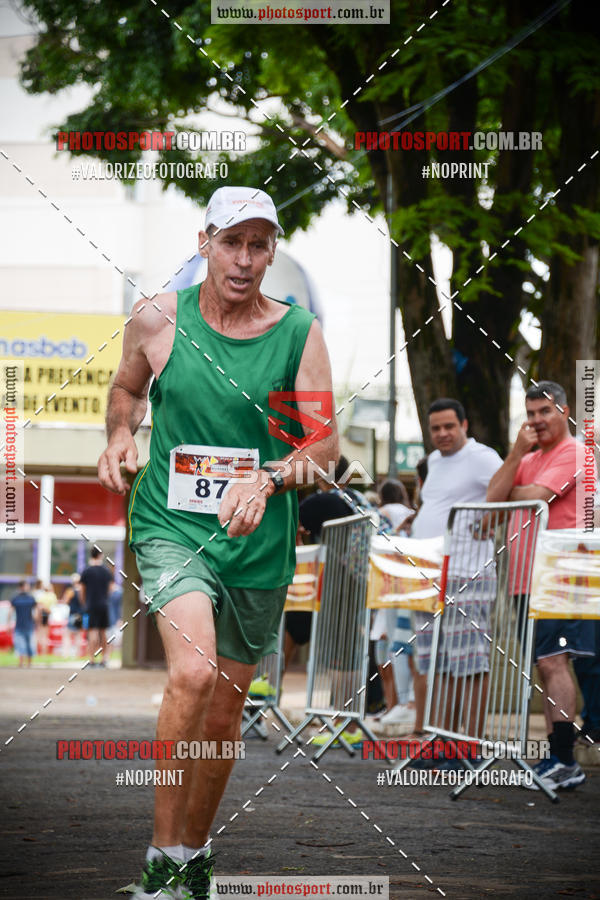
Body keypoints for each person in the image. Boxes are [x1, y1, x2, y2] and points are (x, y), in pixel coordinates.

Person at [98, 185, 338, 900]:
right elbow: (125, 391)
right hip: (171, 525)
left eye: (259, 245)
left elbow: (322, 447)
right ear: (204, 243)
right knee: (194, 674)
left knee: (227, 709)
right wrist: (119, 436)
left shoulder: (298, 334)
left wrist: (267, 479)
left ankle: (191, 856)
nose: (244, 259)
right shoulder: (156, 318)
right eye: (231, 242)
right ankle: (159, 859)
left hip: (257, 539)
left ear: (272, 253)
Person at [486, 380, 596, 790]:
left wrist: (511, 494)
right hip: (524, 579)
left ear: (564, 411)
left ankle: (565, 759)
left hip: (560, 576)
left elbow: (533, 496)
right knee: (544, 665)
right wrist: (516, 454)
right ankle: (556, 758)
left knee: (554, 662)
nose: (536, 420)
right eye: (531, 413)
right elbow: (492, 502)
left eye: (545, 411)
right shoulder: (528, 457)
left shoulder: (575, 452)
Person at [409, 398, 502, 751]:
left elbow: (508, 492)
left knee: (471, 662)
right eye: (436, 428)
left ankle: (470, 746)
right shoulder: (433, 460)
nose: (442, 433)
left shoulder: (483, 457)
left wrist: (489, 521)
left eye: (449, 426)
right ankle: (444, 744)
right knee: (439, 664)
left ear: (464, 425)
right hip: (429, 576)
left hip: (468, 574)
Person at [80, 548, 112, 668]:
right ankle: (104, 659)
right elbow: (111, 588)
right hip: (103, 605)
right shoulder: (106, 571)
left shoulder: (86, 571)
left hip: (91, 605)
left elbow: (82, 590)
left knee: (92, 632)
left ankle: (92, 660)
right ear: (101, 555)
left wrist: (85, 603)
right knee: (103, 632)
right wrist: (105, 599)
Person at [10, 580, 38, 666]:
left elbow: (36, 610)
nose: (28, 587)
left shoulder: (27, 598)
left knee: (27, 644)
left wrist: (36, 619)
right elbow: (11, 610)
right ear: (22, 587)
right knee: (23, 644)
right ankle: (23, 662)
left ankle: (27, 663)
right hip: (22, 625)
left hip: (26, 625)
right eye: (27, 585)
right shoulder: (19, 598)